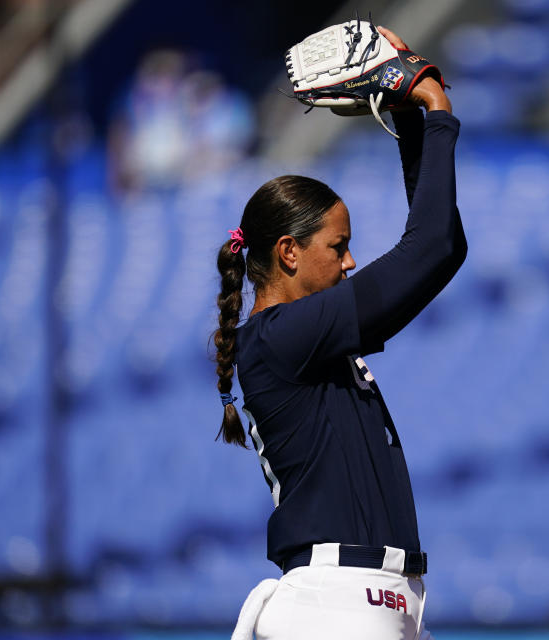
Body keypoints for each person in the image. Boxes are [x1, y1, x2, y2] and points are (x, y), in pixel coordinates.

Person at [211, 26, 464, 640]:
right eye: (338, 247)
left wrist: (408, 122)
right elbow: (429, 249)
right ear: (290, 253)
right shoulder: (276, 338)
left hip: (380, 608)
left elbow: (444, 247)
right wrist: (433, 107)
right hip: (337, 607)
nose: (350, 262)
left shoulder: (300, 340)